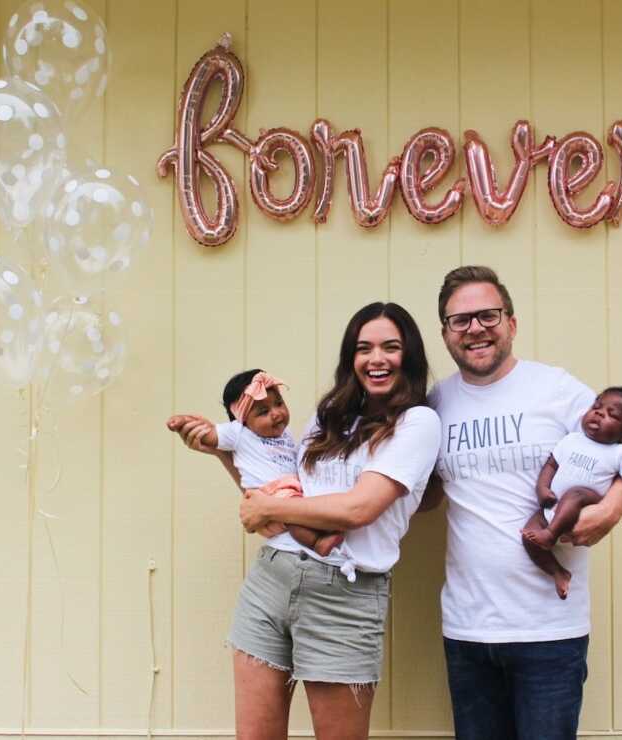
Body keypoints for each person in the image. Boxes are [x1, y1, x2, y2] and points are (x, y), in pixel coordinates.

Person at [174, 302, 441, 740]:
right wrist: (223, 448)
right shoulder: (328, 415)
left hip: (345, 594)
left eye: (390, 347)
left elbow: (359, 509)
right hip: (271, 580)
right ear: (350, 357)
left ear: (409, 355)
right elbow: (274, 489)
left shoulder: (418, 423)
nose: (376, 358)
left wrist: (271, 509)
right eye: (364, 348)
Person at [424, 265, 622, 740]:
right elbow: (421, 493)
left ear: (511, 322)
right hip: (468, 630)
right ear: (445, 332)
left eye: (487, 315)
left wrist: (610, 512)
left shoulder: (555, 389)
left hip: (549, 630)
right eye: (459, 320)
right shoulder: (437, 403)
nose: (475, 329)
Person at [165, 368, 345, 556]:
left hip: (287, 492)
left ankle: (324, 528)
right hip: (269, 495)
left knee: (300, 506)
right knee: (293, 515)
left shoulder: (286, 434)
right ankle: (317, 542)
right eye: (263, 412)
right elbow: (208, 434)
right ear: (243, 420)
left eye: (279, 403)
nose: (276, 413)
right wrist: (182, 422)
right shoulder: (239, 433)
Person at [521, 386, 622, 599]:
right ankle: (558, 572)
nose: (599, 413)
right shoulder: (571, 440)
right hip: (553, 506)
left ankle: (551, 534)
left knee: (575, 494)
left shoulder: (621, 452)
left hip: (585, 502)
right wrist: (542, 489)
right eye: (597, 407)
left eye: (612, 415)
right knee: (528, 537)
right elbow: (551, 466)